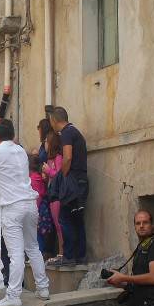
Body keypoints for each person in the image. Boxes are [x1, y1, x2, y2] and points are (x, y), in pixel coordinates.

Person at [0, 120, 50, 306]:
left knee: (16, 254)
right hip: (30, 205)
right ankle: (43, 288)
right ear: (13, 135)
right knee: (32, 248)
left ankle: (14, 295)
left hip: (12, 208)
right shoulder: (20, 151)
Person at [49, 107, 88, 265]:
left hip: (73, 183)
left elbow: (68, 158)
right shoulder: (75, 131)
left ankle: (69, 256)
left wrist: (62, 177)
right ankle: (80, 256)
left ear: (54, 120)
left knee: (65, 218)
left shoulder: (66, 133)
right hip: (81, 182)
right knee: (77, 219)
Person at [42, 130, 65, 259]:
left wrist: (48, 171)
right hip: (51, 194)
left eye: (46, 141)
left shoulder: (58, 157)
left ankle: (63, 252)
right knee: (56, 225)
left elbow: (59, 175)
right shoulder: (49, 159)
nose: (44, 144)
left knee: (59, 225)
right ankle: (61, 251)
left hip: (58, 195)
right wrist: (45, 176)